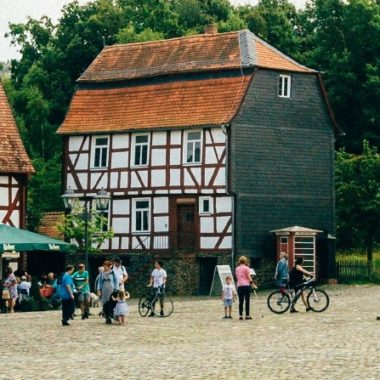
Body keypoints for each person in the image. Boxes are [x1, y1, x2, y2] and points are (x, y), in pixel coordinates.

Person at [235, 256, 254, 320]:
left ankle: (240, 315)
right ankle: (247, 315)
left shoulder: (237, 268)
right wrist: (252, 283)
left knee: (241, 301)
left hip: (239, 285)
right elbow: (248, 276)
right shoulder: (247, 268)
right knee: (247, 300)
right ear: (245, 261)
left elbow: (237, 277)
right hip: (246, 285)